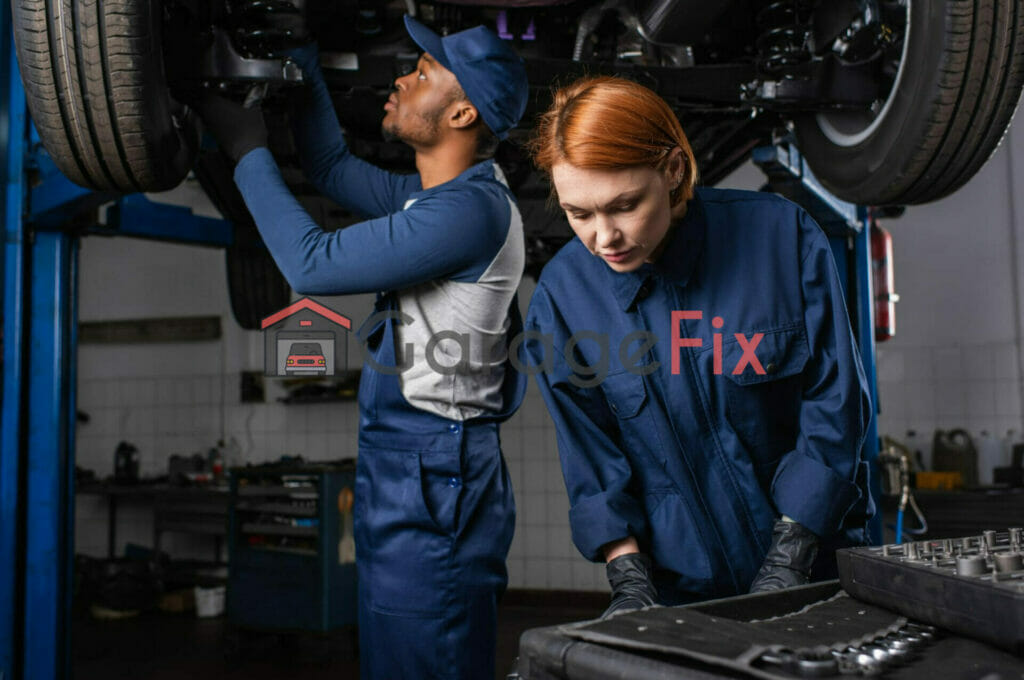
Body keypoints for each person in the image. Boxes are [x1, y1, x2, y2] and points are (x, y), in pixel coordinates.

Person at [198, 16, 529, 679]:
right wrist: (305, 59)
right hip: (408, 465)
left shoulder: (469, 213)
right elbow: (328, 166)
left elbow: (311, 266)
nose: (402, 78)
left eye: (424, 72)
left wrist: (248, 151)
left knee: (424, 657)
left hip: (436, 468)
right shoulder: (435, 199)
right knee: (395, 652)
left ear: (462, 111)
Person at [522, 76, 875, 616]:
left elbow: (836, 404)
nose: (604, 238)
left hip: (819, 571)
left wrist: (790, 559)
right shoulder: (564, 296)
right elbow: (590, 454)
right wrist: (630, 582)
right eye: (579, 214)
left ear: (673, 170)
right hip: (684, 592)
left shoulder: (782, 238)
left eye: (624, 205)